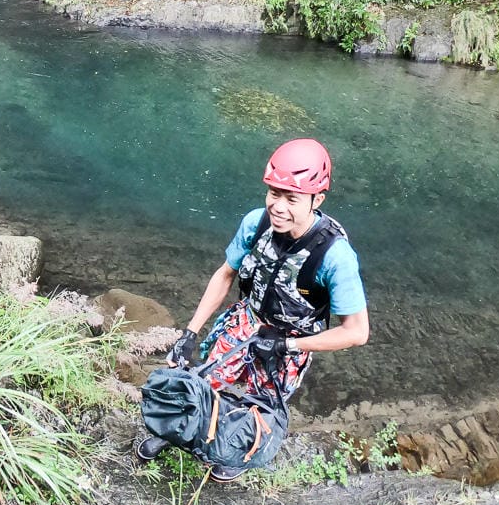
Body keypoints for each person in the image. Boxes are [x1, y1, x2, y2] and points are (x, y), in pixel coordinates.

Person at [136, 138, 369, 481]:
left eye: (292, 199)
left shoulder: (335, 257)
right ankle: (173, 432)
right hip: (247, 320)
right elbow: (226, 273)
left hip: (289, 343)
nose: (279, 206)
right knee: (206, 380)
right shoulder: (255, 224)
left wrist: (287, 346)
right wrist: (190, 332)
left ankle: (235, 452)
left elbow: (356, 332)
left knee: (257, 406)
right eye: (274, 193)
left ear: (317, 200)